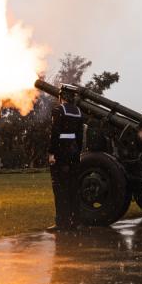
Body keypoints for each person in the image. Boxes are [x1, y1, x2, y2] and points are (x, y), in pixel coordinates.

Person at [47, 87, 84, 232]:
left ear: (62, 97)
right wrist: (78, 152)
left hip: (61, 154)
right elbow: (80, 137)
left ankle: (61, 222)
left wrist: (51, 153)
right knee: (73, 188)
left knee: (60, 189)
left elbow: (55, 133)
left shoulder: (59, 111)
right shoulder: (79, 112)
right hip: (74, 154)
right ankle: (75, 221)